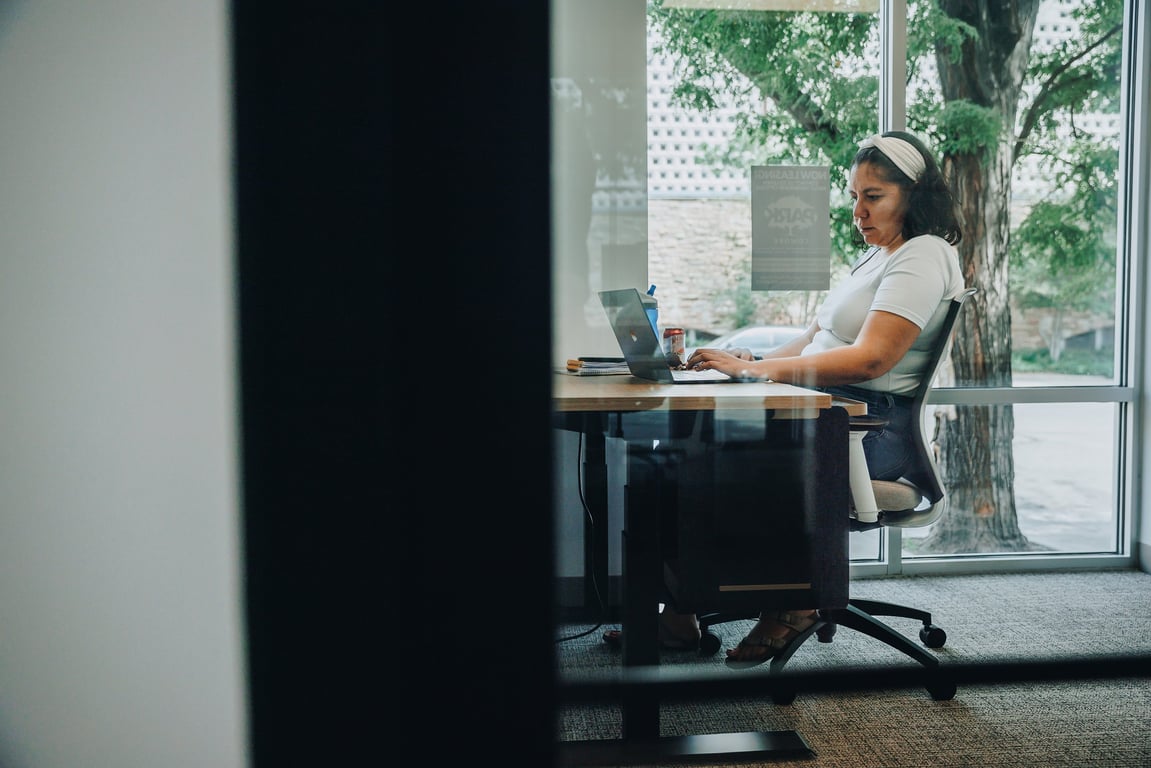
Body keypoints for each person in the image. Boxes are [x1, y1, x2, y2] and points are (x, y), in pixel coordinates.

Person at [603, 130, 966, 666]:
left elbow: (872, 359)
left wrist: (762, 371)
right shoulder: (877, 258)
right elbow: (815, 339)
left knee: (699, 466)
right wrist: (743, 363)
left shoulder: (923, 255)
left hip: (864, 432)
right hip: (826, 416)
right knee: (670, 461)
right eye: (853, 197)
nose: (858, 211)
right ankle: (681, 616)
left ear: (914, 195)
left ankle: (794, 598)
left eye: (874, 197)